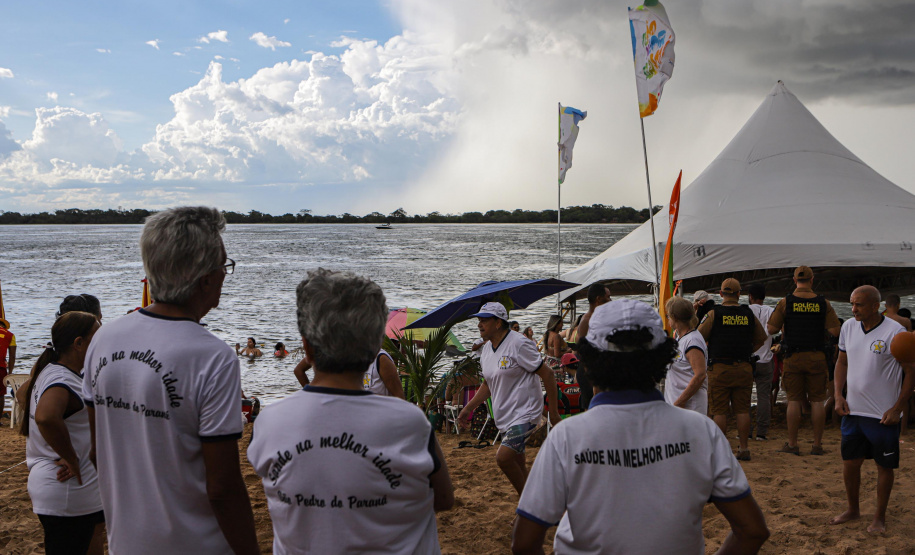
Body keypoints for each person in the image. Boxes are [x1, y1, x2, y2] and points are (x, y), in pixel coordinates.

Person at [512, 299, 769, 554]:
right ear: (662, 360)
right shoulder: (702, 431)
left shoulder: (567, 436)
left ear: (588, 364)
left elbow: (524, 543)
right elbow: (752, 531)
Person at [81, 206, 259, 554]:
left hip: (127, 541)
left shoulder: (104, 339)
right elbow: (222, 486)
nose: (226, 275)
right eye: (224, 267)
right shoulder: (212, 356)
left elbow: (97, 450)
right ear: (206, 278)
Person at [248, 269, 453, 553]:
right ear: (373, 350)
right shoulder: (410, 422)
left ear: (306, 348)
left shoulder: (269, 422)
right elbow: (443, 499)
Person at [830, 285, 915, 534]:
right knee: (850, 462)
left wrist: (898, 408)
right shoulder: (848, 327)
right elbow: (842, 362)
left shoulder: (896, 332)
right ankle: (853, 509)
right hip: (853, 411)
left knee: (884, 466)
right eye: (852, 303)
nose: (853, 309)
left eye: (859, 305)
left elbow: (910, 372)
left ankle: (879, 517)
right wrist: (838, 395)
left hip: (882, 415)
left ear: (875, 306)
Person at [20, 312, 105, 555]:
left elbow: (22, 396)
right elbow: (46, 417)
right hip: (65, 489)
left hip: (63, 490)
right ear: (79, 343)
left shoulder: (53, 370)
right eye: (95, 338)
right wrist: (70, 456)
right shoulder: (60, 378)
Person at [458, 302, 561, 495]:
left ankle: (529, 508)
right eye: (478, 320)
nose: (479, 324)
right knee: (518, 464)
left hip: (526, 413)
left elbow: (547, 374)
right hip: (505, 416)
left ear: (498, 323)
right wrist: (468, 408)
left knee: (504, 458)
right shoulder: (486, 350)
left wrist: (553, 414)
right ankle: (541, 502)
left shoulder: (519, 343)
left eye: (484, 320)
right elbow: (488, 384)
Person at [766, 266, 840, 456]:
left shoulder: (786, 302)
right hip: (817, 357)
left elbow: (771, 328)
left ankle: (792, 444)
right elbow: (835, 331)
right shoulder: (823, 303)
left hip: (793, 357)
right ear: (812, 279)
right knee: (817, 401)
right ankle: (817, 445)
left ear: (794, 279)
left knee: (793, 401)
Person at [698, 278, 766, 461]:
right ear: (739, 294)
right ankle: (744, 448)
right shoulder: (748, 314)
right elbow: (762, 338)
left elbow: (699, 336)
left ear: (721, 294)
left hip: (719, 368)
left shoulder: (714, 314)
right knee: (742, 410)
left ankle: (721, 451)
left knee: (719, 411)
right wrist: (746, 351)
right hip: (743, 367)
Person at [663, 296, 708, 414]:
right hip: (678, 406)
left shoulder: (692, 340)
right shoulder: (681, 336)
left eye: (668, 316)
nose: (668, 319)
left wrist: (680, 402)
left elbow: (700, 374)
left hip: (690, 407)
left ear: (675, 318)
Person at [575, 283, 612, 411]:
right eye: (608, 297)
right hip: (589, 372)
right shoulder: (587, 320)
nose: (610, 300)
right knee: (593, 409)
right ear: (598, 299)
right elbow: (583, 351)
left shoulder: (601, 318)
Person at [747, 283, 775, 441]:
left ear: (750, 296)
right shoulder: (771, 311)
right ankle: (762, 432)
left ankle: (747, 430)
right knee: (764, 396)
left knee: (745, 395)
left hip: (748, 358)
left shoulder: (746, 311)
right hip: (766, 358)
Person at [0, 317, 16, 398]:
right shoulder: (10, 335)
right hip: (1, 368)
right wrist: (10, 373)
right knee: (1, 394)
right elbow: (12, 356)